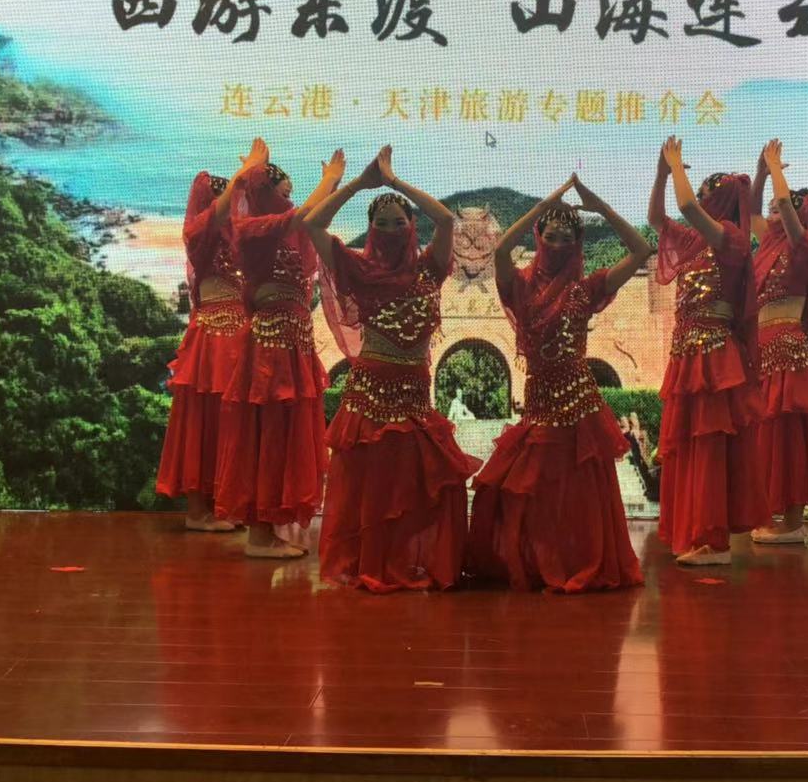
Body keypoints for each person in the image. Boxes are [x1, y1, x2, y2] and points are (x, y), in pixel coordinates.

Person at [304, 146, 480, 592]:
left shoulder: (429, 270)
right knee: (374, 485)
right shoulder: (357, 268)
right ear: (369, 230)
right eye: (380, 224)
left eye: (398, 222)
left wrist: (395, 182)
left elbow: (446, 221)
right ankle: (373, 563)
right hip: (371, 391)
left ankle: (410, 561)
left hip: (414, 395)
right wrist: (360, 184)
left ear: (411, 226)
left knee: (425, 483)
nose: (389, 230)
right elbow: (312, 225)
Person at [466, 175, 650, 593]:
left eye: (568, 238)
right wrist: (542, 205)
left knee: (579, 488)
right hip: (539, 400)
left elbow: (641, 250)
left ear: (578, 244)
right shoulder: (519, 286)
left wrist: (600, 207)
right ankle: (539, 562)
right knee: (533, 486)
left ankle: (577, 561)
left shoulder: (586, 289)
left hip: (580, 401)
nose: (558, 244)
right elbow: (501, 251)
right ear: (539, 238)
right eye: (550, 236)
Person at [214, 138, 343, 558]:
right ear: (264, 194)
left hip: (291, 341)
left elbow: (311, 220)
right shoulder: (251, 230)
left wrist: (336, 187)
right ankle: (260, 534)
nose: (289, 201)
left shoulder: (283, 237)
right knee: (269, 433)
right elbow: (302, 217)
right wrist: (329, 180)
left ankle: (266, 531)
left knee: (282, 433)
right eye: (283, 194)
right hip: (272, 345)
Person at [648, 136, 767, 565]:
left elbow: (683, 207)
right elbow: (657, 217)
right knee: (691, 447)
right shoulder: (697, 242)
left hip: (714, 353)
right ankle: (700, 535)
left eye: (704, 195)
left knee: (710, 446)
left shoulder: (731, 239)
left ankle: (714, 542)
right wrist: (662, 174)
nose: (698, 200)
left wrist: (676, 163)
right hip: (689, 353)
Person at [154, 163, 251, 532]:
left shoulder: (234, 238)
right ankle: (198, 511)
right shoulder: (199, 234)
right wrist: (242, 175)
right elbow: (214, 218)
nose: (232, 208)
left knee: (230, 424)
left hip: (237, 334)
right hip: (213, 337)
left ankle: (221, 504)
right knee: (205, 421)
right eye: (224, 201)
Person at [748, 139, 808, 545]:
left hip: (788, 348)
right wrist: (760, 173)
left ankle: (794, 523)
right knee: (767, 436)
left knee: (790, 437)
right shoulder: (768, 244)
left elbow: (782, 203)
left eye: (778, 208)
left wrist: (774, 170)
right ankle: (777, 517)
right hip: (764, 348)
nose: (772, 211)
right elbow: (752, 211)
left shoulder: (804, 246)